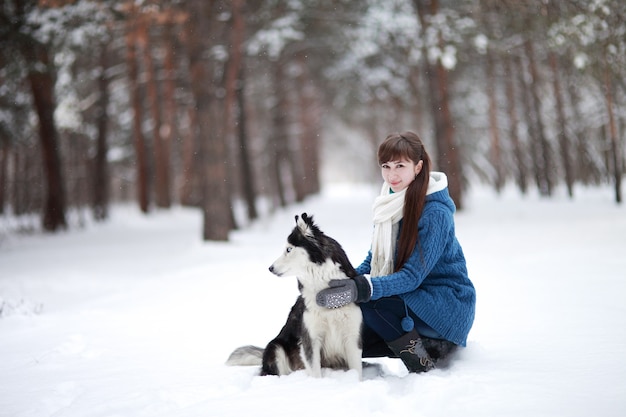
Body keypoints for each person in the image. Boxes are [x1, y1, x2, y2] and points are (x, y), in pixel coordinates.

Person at [316, 131, 476, 373]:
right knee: (354, 332)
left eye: (400, 165)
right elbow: (373, 260)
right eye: (386, 166)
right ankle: (315, 355)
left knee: (372, 303)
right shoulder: (389, 205)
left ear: (418, 166)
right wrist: (345, 280)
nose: (392, 175)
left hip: (445, 305)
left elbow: (413, 276)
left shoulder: (435, 213)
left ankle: (423, 364)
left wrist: (363, 288)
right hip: (412, 301)